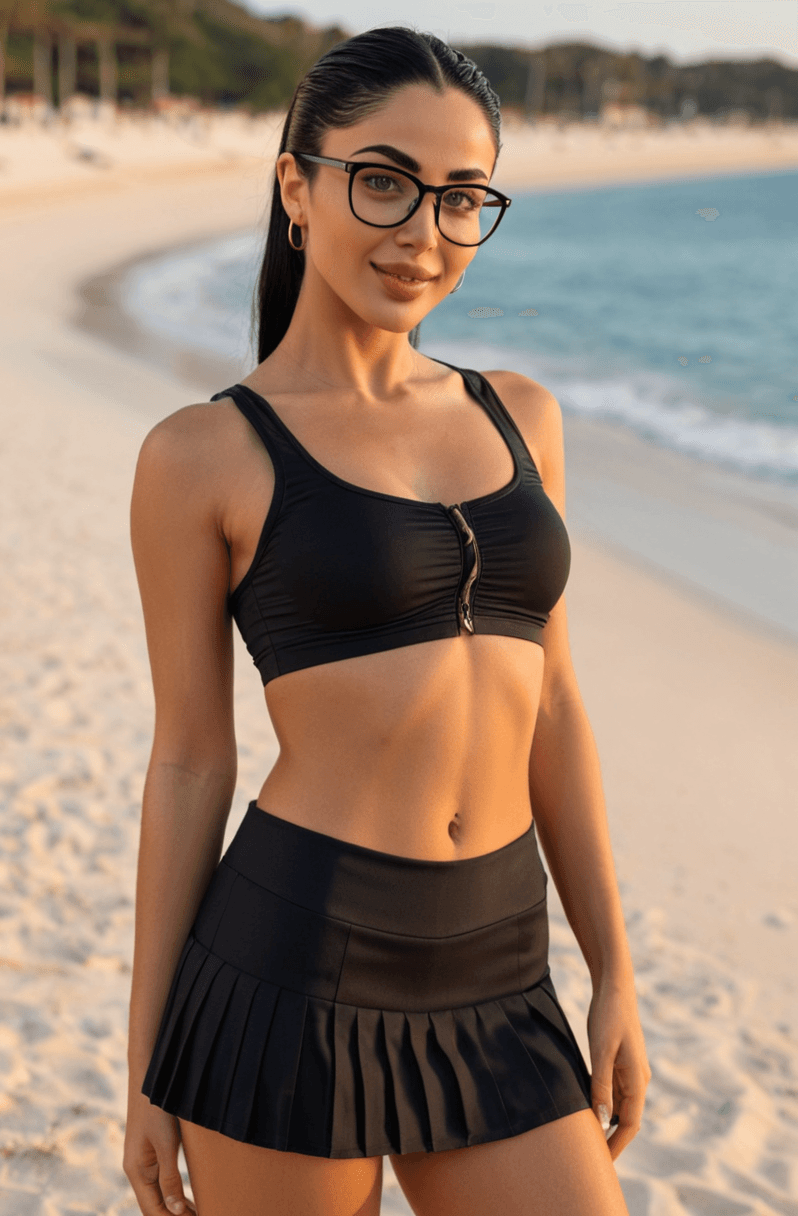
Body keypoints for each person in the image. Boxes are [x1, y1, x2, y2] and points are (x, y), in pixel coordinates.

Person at [123, 25, 651, 1216]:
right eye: (383, 181)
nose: (422, 234)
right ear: (295, 186)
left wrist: (611, 969)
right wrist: (146, 1057)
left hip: (503, 966)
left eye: (461, 197)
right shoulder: (203, 455)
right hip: (290, 969)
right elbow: (190, 760)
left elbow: (554, 704)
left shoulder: (522, 415)